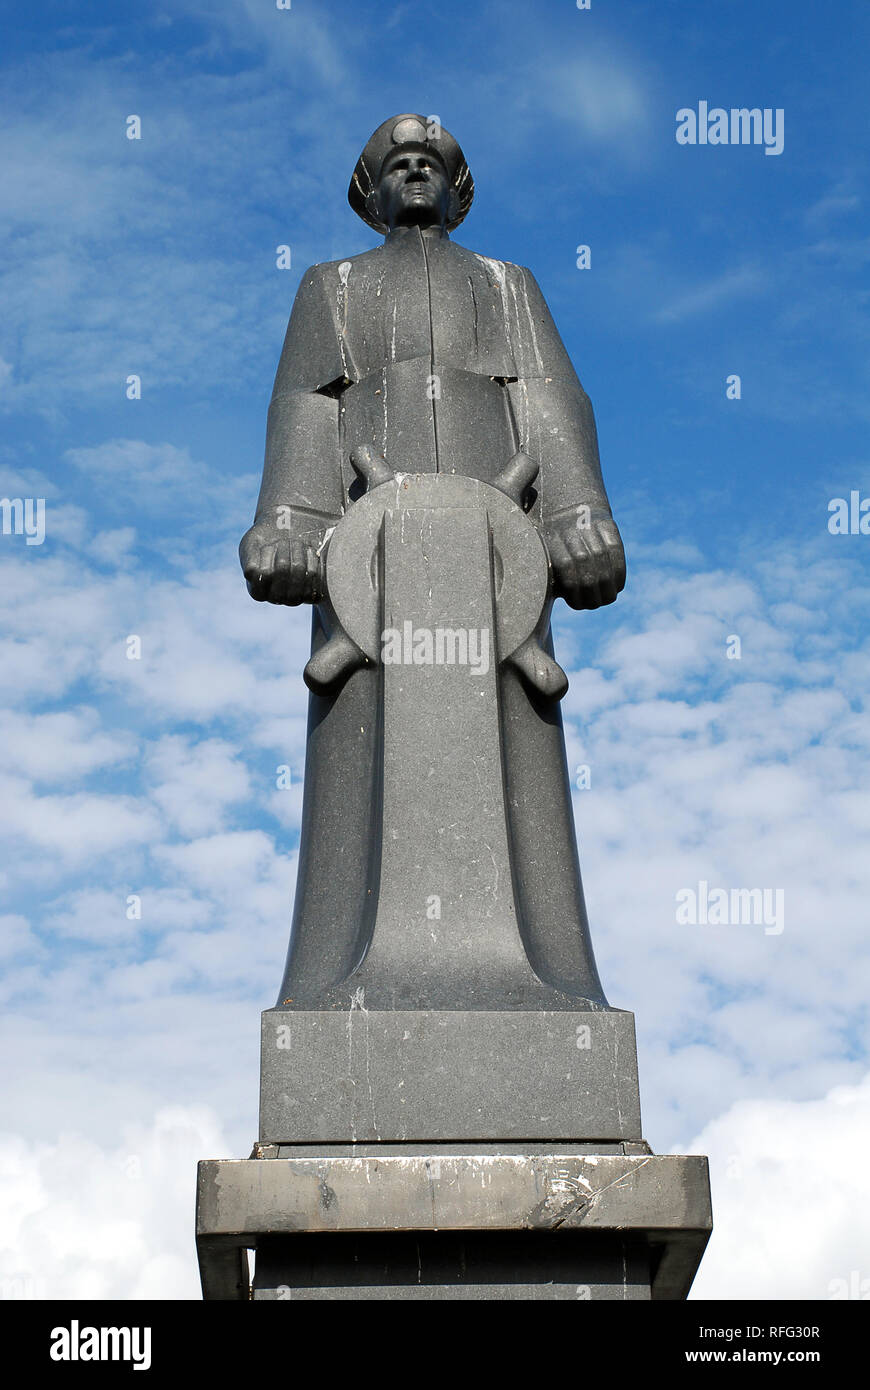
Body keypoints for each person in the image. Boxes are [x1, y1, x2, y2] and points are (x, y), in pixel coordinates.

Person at [240, 115, 625, 1006]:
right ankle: (344, 982)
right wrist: (291, 519)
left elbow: (551, 397)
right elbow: (304, 407)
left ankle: (549, 983)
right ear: (367, 194)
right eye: (394, 164)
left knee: (511, 756)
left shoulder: (509, 285)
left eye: (433, 163)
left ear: (461, 190)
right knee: (366, 767)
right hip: (368, 568)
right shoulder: (329, 287)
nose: (414, 171)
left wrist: (576, 511)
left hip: (502, 566)